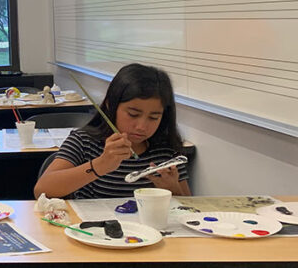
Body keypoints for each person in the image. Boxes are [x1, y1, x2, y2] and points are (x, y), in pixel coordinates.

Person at [34, 63, 191, 199]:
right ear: (111, 105)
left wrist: (173, 189)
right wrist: (100, 165)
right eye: (133, 114)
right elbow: (42, 190)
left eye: (154, 117)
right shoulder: (84, 141)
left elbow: (191, 209)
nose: (142, 126)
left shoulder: (167, 150)